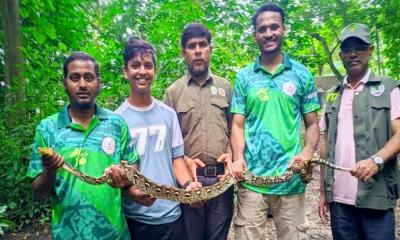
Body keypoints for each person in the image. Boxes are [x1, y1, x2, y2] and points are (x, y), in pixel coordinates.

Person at [230, 3, 320, 240]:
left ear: (284, 29)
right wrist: (238, 158)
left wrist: (308, 151)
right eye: (262, 29)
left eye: (274, 27)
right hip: (250, 182)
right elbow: (237, 124)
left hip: (290, 182)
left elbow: (312, 123)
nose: (268, 33)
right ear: (255, 34)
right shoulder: (244, 77)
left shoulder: (302, 74)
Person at [27, 52, 138, 239]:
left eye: (89, 77)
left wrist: (124, 176)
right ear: (65, 83)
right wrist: (50, 170)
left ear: (98, 83)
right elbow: (39, 194)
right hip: (67, 234)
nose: (82, 84)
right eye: (74, 77)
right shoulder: (47, 129)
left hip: (114, 234)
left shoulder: (117, 124)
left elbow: (133, 167)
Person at [319, 23, 400, 240]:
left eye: (360, 47)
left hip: (376, 197)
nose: (353, 53)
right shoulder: (332, 94)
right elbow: (325, 143)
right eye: (347, 49)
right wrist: (323, 192)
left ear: (371, 50)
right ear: (341, 54)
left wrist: (376, 160)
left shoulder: (389, 88)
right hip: (339, 202)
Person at [115, 37, 201, 240]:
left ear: (155, 71)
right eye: (135, 65)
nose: (142, 71)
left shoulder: (168, 114)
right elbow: (117, 171)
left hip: (171, 215)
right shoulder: (116, 120)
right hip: (135, 217)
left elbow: (176, 158)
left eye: (148, 65)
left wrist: (189, 185)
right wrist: (132, 193)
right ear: (125, 71)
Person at [164, 23, 234, 240]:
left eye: (202, 45)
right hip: (189, 182)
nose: (197, 50)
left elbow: (237, 129)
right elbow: (168, 142)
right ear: (184, 52)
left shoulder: (226, 87)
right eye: (191, 46)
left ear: (210, 49)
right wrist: (183, 160)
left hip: (222, 180)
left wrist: (232, 153)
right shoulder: (173, 92)